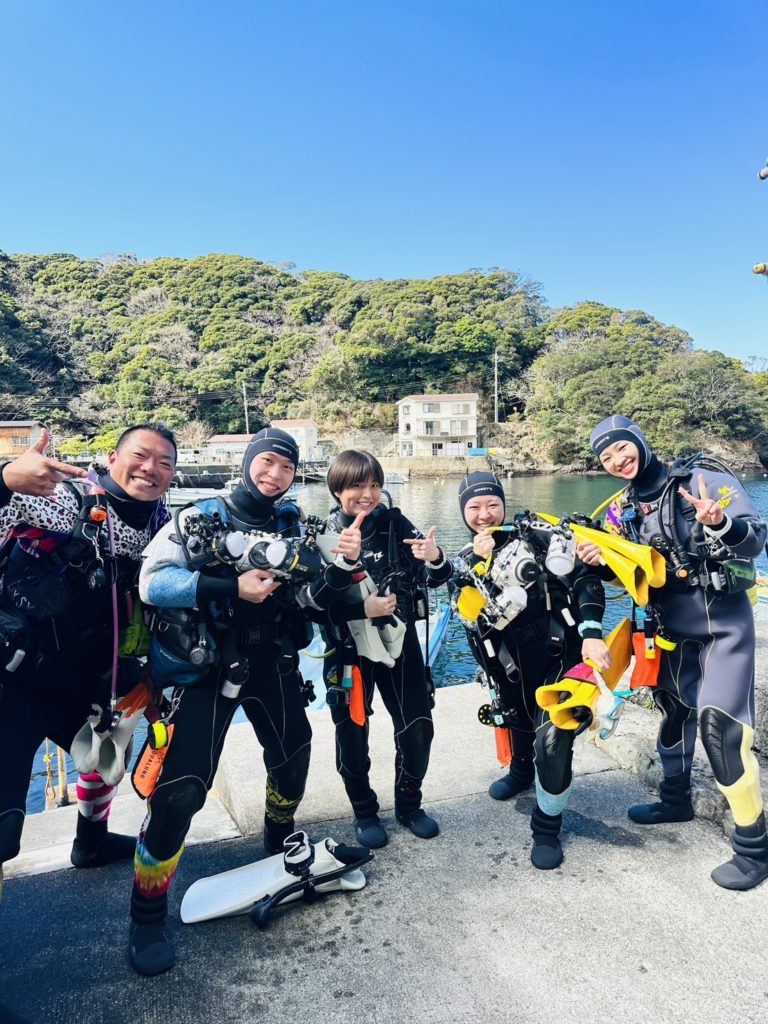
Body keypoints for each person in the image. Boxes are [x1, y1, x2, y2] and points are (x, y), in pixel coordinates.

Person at [128, 428, 364, 976]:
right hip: (209, 664)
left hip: (273, 660)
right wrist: (230, 588)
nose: (275, 475)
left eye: (287, 467)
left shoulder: (295, 525)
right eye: (267, 462)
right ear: (248, 462)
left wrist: (341, 568)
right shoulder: (199, 517)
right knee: (180, 793)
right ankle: (146, 916)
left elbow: (311, 597)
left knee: (293, 757)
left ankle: (277, 836)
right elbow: (152, 584)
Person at [587, 415, 768, 890]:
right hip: (667, 632)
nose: (617, 460)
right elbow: (626, 570)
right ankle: (675, 801)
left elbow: (755, 537)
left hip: (722, 628)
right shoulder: (619, 510)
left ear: (641, 441)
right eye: (606, 457)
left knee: (721, 730)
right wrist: (599, 561)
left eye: (622, 448)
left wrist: (719, 521)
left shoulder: (703, 480)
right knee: (672, 713)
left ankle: (753, 848)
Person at [0, 424, 176, 892]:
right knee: (4, 831)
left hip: (89, 677)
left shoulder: (162, 526)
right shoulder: (63, 498)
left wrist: (154, 674)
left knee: (108, 761)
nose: (151, 468)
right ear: (112, 459)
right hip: (15, 677)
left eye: (164, 463)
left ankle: (91, 843)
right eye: (140, 455)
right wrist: (5, 480)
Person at [451, 471, 610, 869]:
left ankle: (546, 827)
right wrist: (480, 562)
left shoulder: (539, 539)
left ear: (504, 505)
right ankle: (521, 771)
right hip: (508, 664)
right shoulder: (466, 559)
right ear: (463, 512)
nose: (485, 514)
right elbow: (467, 610)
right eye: (474, 507)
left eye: (492, 504)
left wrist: (592, 633)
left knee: (553, 740)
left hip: (560, 655)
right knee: (517, 719)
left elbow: (588, 579)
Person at [319, 450, 453, 850]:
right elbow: (313, 606)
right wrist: (363, 608)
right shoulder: (323, 536)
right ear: (337, 488)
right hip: (348, 650)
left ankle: (409, 805)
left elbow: (436, 578)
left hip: (399, 641)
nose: (368, 493)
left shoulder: (395, 524)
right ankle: (364, 811)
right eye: (357, 485)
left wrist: (435, 558)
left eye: (375, 484)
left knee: (417, 728)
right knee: (352, 733)